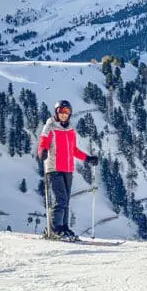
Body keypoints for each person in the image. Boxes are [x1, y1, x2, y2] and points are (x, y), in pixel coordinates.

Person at [38, 99, 98, 240]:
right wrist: (42, 151)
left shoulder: (71, 130)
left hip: (68, 169)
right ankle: (54, 229)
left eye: (67, 112)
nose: (64, 114)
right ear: (57, 112)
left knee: (66, 201)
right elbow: (43, 142)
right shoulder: (50, 127)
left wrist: (88, 158)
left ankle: (64, 228)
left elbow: (74, 150)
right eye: (61, 111)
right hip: (53, 168)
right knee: (61, 199)